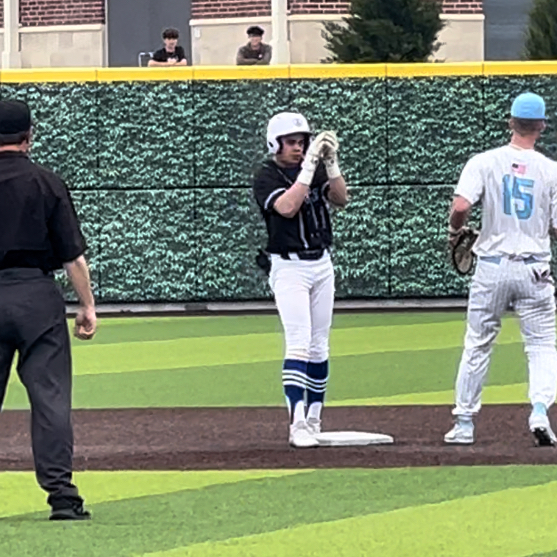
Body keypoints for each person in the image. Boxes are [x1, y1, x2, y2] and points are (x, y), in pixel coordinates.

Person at [0, 100, 97, 519]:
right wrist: (87, 305)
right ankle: (62, 496)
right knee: (50, 398)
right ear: (29, 136)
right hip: (36, 295)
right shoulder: (47, 182)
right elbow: (72, 257)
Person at [444, 92, 557, 447]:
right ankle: (539, 411)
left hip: (491, 268)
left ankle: (464, 423)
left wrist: (455, 231)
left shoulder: (483, 161)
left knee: (478, 344)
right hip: (535, 270)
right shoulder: (551, 170)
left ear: (510, 122)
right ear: (541, 126)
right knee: (542, 345)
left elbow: (461, 206)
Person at [253, 112, 348, 448]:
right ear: (275, 144)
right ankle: (297, 423)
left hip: (321, 263)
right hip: (289, 267)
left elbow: (341, 198)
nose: (298, 147)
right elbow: (287, 207)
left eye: (302, 142)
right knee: (299, 342)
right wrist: (309, 168)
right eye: (291, 142)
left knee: (320, 344)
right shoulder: (266, 176)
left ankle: (315, 419)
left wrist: (331, 164)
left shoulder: (315, 169)